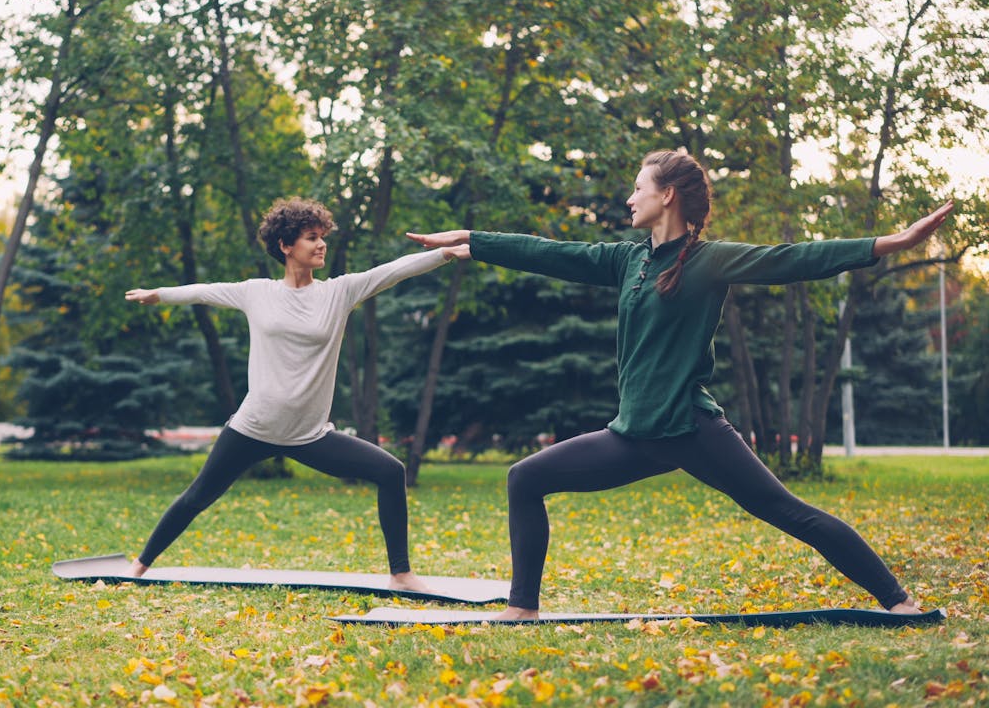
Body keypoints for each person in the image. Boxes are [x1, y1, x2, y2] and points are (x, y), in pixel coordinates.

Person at [407, 149, 954, 619]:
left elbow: (794, 259)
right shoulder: (629, 261)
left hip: (692, 427)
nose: (629, 198)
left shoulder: (710, 261)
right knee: (525, 478)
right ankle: (522, 606)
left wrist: (893, 242)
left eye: (638, 187)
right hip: (634, 434)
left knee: (789, 511)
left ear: (667, 195)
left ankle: (898, 602)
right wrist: (474, 241)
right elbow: (553, 254)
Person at [125, 197, 467, 591]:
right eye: (311, 238)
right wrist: (159, 294)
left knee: (390, 471)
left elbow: (391, 271)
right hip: (253, 428)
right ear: (286, 246)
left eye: (322, 237)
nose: (321, 245)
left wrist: (444, 254)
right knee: (198, 496)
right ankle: (138, 566)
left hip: (310, 435)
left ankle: (401, 573)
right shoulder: (257, 293)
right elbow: (204, 291)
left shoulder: (339, 293)